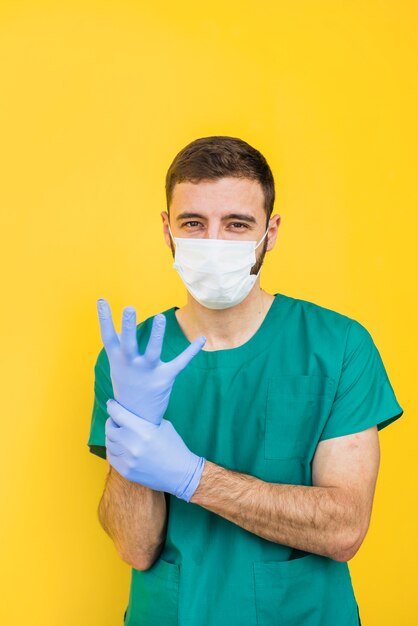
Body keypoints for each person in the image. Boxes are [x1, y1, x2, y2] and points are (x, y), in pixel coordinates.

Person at [87, 135, 404, 626]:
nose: (213, 242)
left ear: (270, 232)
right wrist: (135, 426)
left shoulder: (338, 346)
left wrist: (191, 476)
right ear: (167, 230)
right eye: (194, 223)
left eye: (237, 224)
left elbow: (344, 528)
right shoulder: (132, 358)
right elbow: (135, 547)